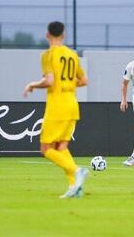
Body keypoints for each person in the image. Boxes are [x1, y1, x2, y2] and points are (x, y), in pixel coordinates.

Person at [23, 21, 89, 198]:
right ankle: (75, 187)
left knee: (45, 149)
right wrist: (67, 84)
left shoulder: (48, 55)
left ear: (47, 35)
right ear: (63, 35)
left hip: (57, 105)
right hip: (72, 105)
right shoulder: (72, 54)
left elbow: (49, 81)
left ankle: (76, 170)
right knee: (61, 147)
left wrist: (32, 85)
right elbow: (83, 81)